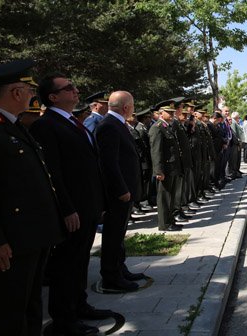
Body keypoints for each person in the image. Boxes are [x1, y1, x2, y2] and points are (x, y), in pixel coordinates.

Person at [0, 59, 64, 336]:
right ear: (17, 93)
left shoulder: (13, 126)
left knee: (29, 307)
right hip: (10, 242)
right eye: (29, 90)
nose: (33, 96)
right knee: (8, 313)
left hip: (32, 236)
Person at [30, 73, 110, 335]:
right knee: (66, 265)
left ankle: (79, 305)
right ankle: (64, 319)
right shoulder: (47, 125)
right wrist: (66, 208)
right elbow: (52, 172)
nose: (76, 90)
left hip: (87, 205)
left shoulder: (71, 121)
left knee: (80, 260)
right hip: (73, 209)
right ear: (53, 97)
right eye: (69, 88)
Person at [95, 91, 143, 292]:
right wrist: (121, 189)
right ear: (126, 107)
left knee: (120, 233)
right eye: (132, 105)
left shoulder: (117, 123)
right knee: (113, 234)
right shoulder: (109, 126)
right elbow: (109, 163)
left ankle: (119, 268)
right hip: (118, 193)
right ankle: (111, 277)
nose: (133, 109)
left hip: (126, 190)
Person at [149, 105, 184, 232]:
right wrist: (158, 171)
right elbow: (156, 151)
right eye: (169, 112)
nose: (172, 114)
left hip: (173, 167)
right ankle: (164, 224)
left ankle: (170, 221)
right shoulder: (157, 128)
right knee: (164, 197)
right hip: (165, 169)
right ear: (161, 113)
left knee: (171, 196)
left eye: (172, 112)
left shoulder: (167, 127)